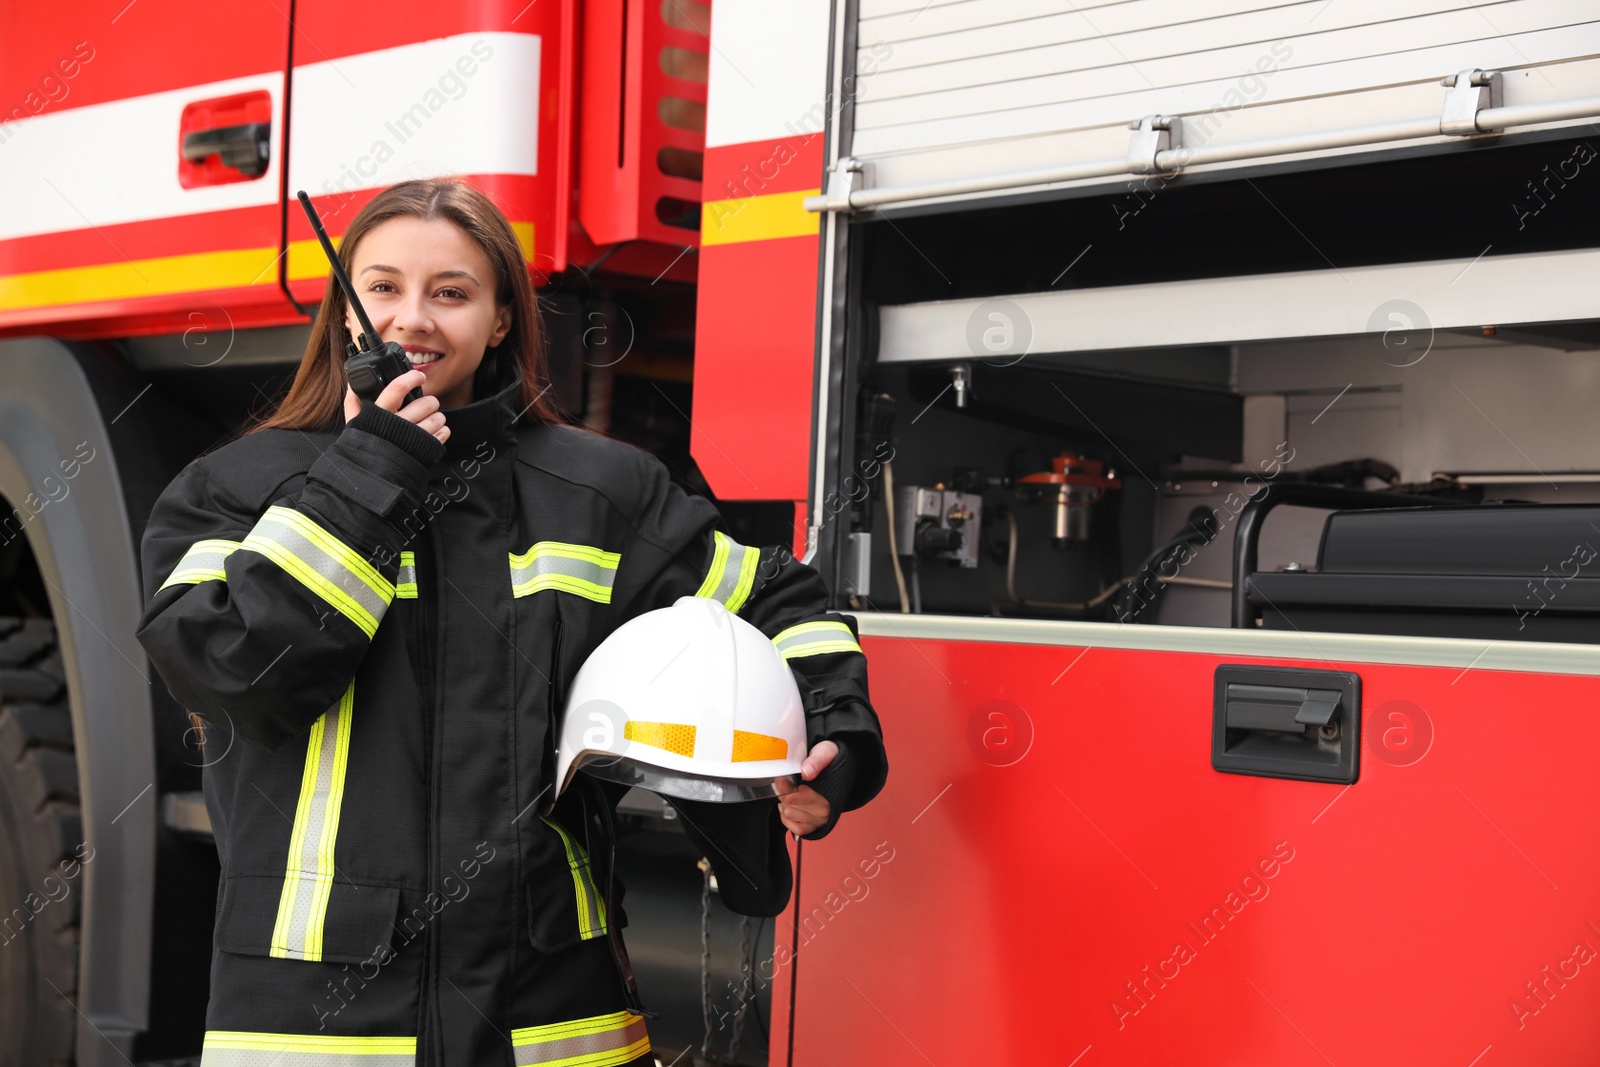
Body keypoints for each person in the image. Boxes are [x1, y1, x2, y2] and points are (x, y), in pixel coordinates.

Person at [133, 178, 887, 1066]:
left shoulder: (598, 491)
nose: (413, 317)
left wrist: (836, 727)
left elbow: (774, 599)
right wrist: (370, 471)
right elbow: (232, 673)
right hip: (314, 1024)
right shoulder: (233, 489)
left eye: (451, 292)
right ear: (345, 312)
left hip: (556, 1017)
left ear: (499, 321)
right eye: (383, 287)